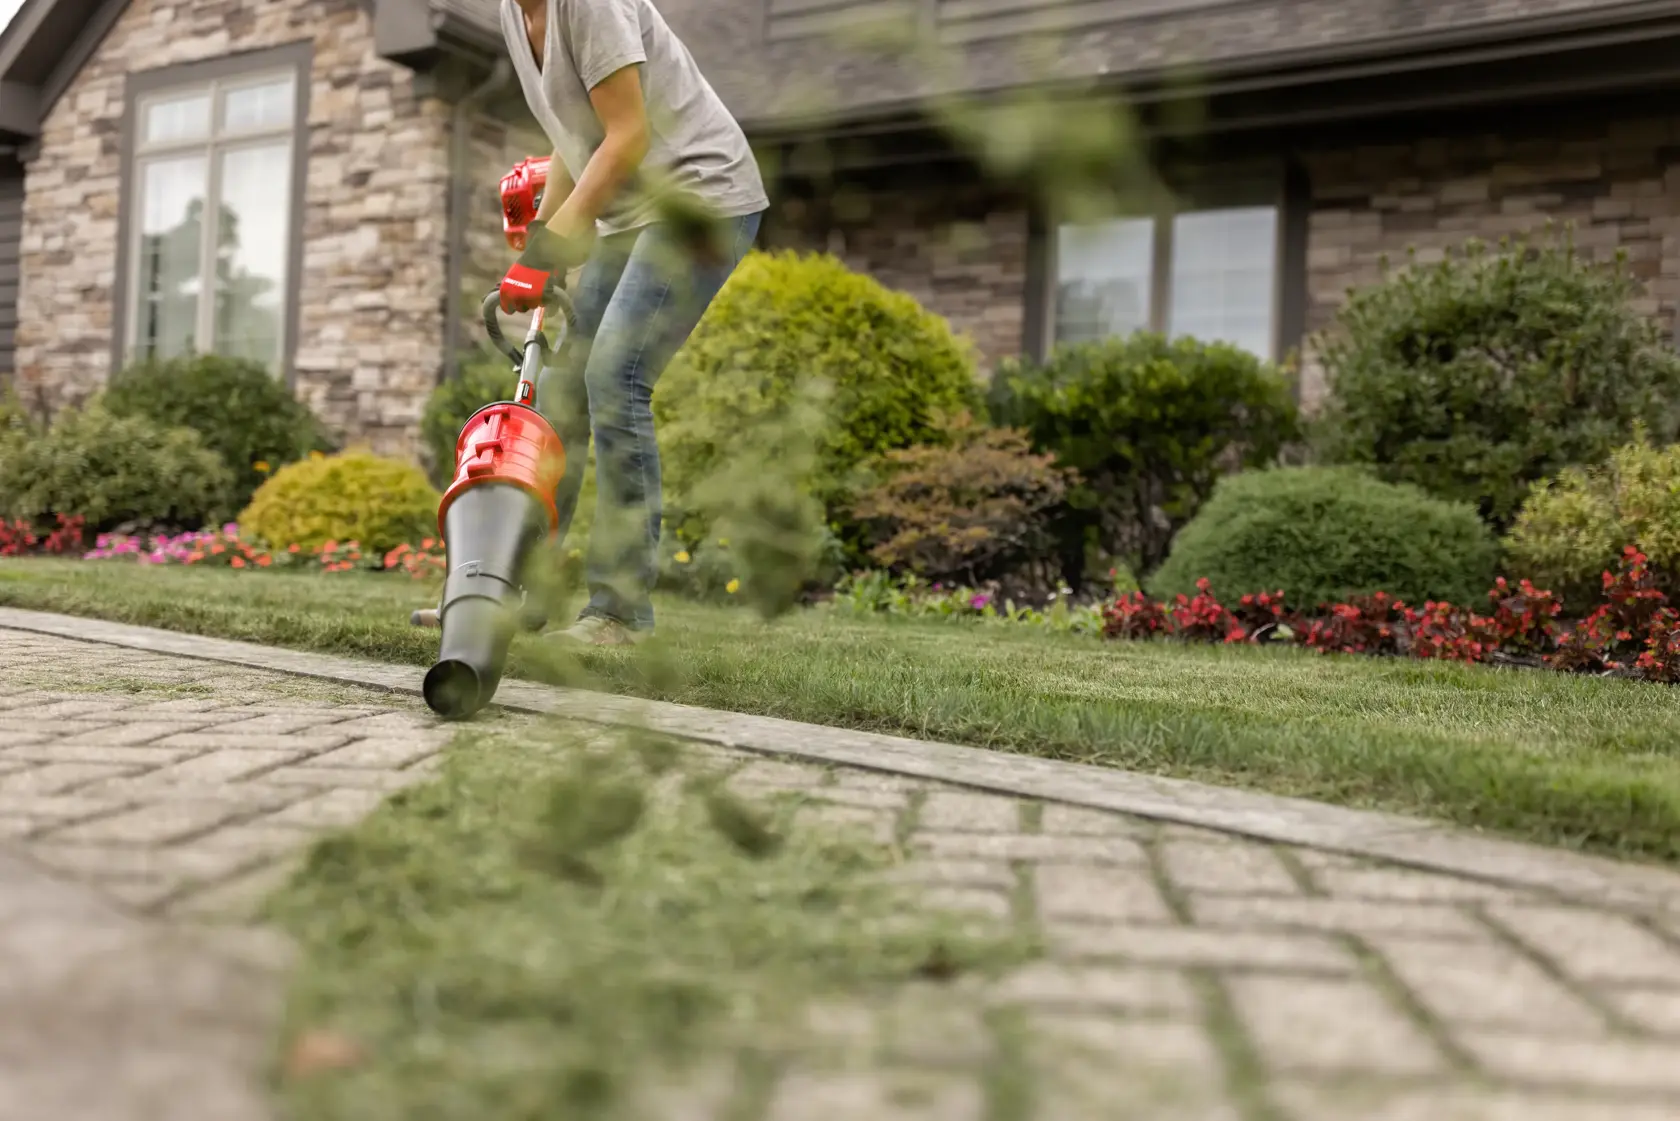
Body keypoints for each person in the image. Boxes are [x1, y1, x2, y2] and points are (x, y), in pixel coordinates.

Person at [498, 0, 768, 645]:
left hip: (698, 196)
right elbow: (577, 139)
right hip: (628, 219)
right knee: (560, 399)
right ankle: (524, 597)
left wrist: (550, 250)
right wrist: (552, 242)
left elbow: (627, 135)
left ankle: (621, 614)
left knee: (614, 377)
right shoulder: (514, 13)